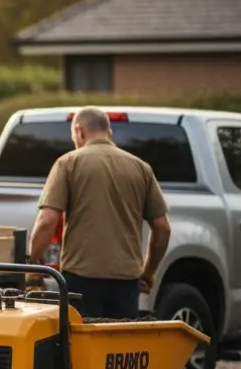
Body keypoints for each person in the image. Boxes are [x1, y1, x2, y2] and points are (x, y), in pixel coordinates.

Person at [28, 106, 171, 319]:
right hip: (127, 282)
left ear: (79, 131)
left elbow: (47, 220)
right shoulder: (141, 168)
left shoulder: (68, 163)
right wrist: (147, 272)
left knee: (80, 347)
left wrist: (33, 268)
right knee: (120, 348)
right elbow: (162, 228)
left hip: (80, 278)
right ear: (109, 133)